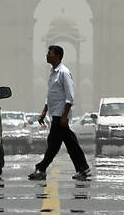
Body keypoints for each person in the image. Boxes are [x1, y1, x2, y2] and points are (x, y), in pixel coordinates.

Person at [28, 45, 91, 180]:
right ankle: (83, 168)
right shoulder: (53, 72)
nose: (47, 55)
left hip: (61, 114)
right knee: (68, 142)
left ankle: (42, 168)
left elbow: (70, 96)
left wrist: (64, 116)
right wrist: (44, 111)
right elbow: (51, 95)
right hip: (55, 113)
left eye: (49, 53)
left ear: (57, 56)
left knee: (54, 144)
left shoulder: (64, 73)